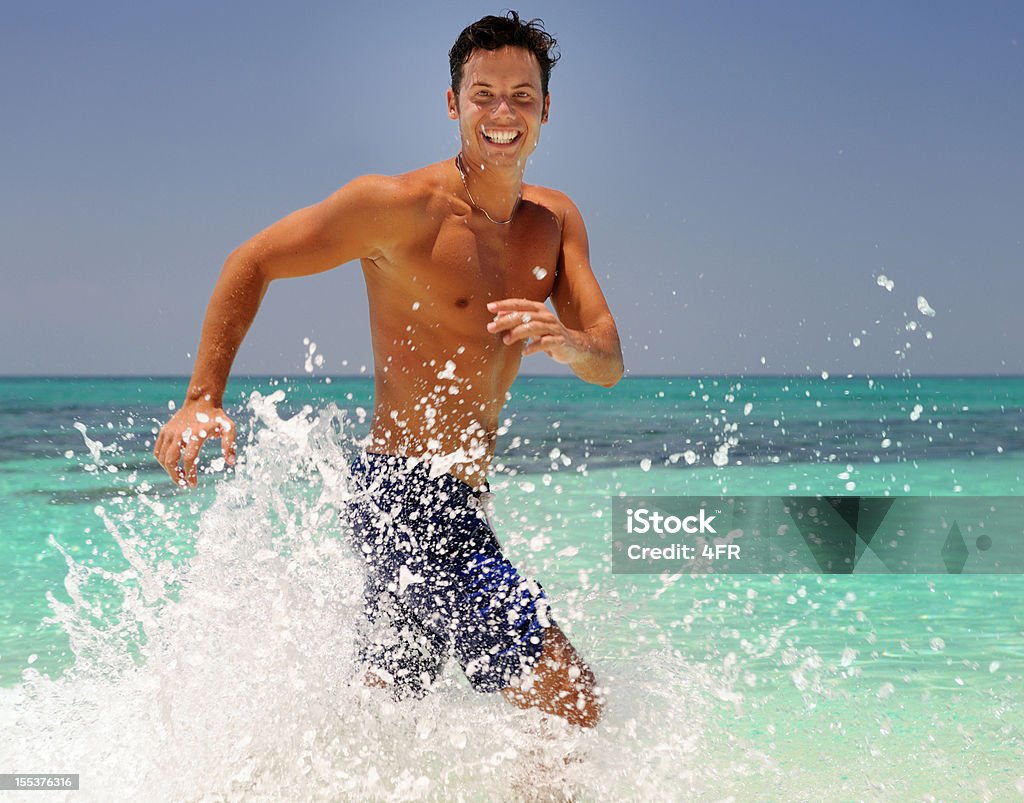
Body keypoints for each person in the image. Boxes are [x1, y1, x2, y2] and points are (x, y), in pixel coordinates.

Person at [154, 11, 622, 729]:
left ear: (546, 109)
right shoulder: (399, 208)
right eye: (483, 93)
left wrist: (567, 340)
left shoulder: (555, 221)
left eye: (522, 97)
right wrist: (200, 397)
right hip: (406, 498)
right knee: (572, 700)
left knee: (381, 714)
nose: (503, 113)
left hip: (458, 500)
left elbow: (608, 361)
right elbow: (252, 260)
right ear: (452, 103)